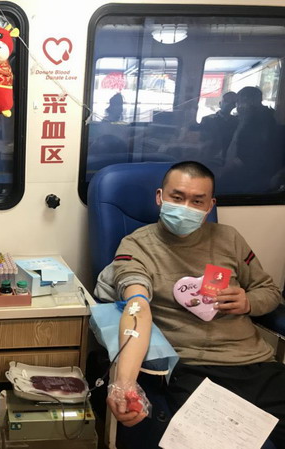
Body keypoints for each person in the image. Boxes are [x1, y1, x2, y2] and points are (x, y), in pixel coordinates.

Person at [102, 161, 284, 447]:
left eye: (197, 201)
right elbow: (137, 306)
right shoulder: (137, 246)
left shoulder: (230, 238)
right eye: (177, 197)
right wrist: (124, 383)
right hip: (194, 369)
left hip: (256, 363)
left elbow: (269, 291)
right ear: (160, 197)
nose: (185, 207)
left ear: (210, 205)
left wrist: (248, 301)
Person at [199, 91, 238, 161]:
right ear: (220, 103)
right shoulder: (207, 120)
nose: (228, 104)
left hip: (229, 157)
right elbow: (201, 139)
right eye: (226, 100)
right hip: (209, 156)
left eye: (231, 102)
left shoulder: (237, 121)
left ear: (234, 105)